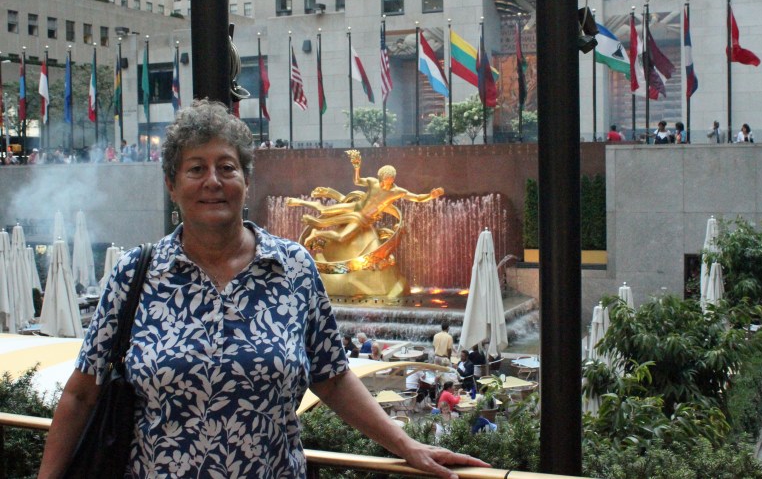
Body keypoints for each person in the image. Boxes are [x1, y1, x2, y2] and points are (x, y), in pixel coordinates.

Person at [38, 99, 487, 479]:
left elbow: (332, 377)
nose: (213, 181)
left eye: (226, 167)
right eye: (196, 169)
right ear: (172, 185)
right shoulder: (136, 274)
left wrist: (407, 445)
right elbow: (81, 393)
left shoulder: (293, 267)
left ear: (246, 181)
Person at [287, 150, 444, 248]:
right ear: (381, 177)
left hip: (364, 219)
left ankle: (316, 234)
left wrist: (430, 196)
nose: (386, 183)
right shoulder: (373, 182)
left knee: (341, 237)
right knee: (324, 210)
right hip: (355, 207)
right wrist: (357, 167)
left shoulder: (397, 192)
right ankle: (300, 202)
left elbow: (417, 198)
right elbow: (357, 181)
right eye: (385, 179)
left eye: (389, 180)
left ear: (393, 179)